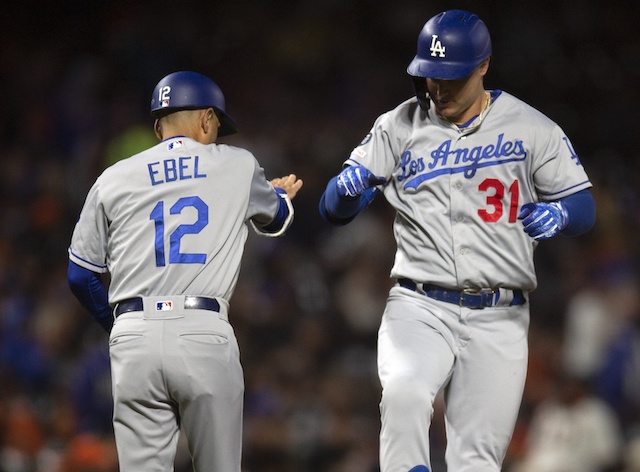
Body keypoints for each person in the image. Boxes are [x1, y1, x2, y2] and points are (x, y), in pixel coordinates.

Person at [319, 9, 595, 472]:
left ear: (483, 66)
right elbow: (332, 208)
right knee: (405, 394)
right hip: (419, 304)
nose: (439, 87)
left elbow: (582, 207)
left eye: (452, 77)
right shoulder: (398, 126)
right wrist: (347, 189)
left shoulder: (532, 127)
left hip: (500, 315)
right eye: (430, 76)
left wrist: (561, 213)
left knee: (477, 459)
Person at [67, 70, 303, 472]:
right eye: (216, 127)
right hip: (202, 330)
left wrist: (122, 327)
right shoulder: (236, 164)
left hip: (133, 332)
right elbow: (274, 218)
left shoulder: (114, 177)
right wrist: (281, 195)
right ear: (207, 119)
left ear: (159, 127)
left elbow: (79, 275)